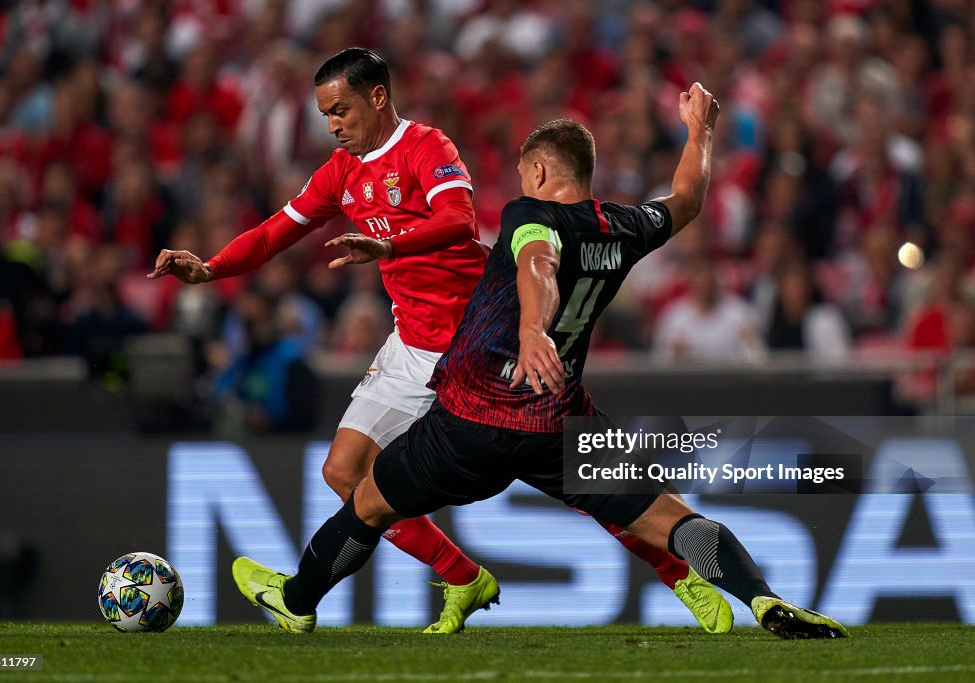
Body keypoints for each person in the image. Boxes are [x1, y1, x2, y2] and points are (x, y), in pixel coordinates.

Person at [231, 86, 848, 640]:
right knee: (673, 518)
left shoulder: (529, 216)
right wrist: (700, 132)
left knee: (366, 502)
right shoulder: (624, 225)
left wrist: (531, 330)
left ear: (541, 169)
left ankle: (295, 599)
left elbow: (537, 265)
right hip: (559, 425)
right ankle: (763, 599)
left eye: (527, 173)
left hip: (470, 422)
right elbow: (686, 199)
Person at [150, 48, 729, 634]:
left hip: (478, 348)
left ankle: (683, 580)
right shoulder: (339, 172)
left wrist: (391, 246)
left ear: (377, 97)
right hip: (410, 345)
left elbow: (458, 220)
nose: (333, 125)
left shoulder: (429, 148)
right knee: (344, 471)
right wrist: (212, 268)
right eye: (326, 114)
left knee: (586, 484)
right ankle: (462, 577)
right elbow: (279, 230)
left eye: (341, 110)